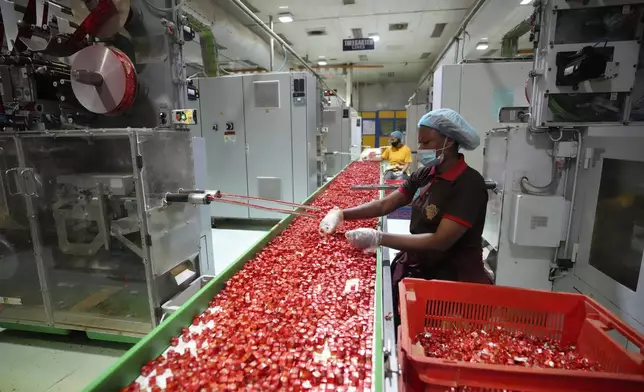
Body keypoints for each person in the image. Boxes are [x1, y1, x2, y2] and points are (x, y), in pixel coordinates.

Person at [320, 108, 492, 327]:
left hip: (453, 280)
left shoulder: (468, 184)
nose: (421, 149)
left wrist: (378, 238)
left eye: (427, 143)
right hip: (420, 268)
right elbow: (386, 203)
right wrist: (343, 213)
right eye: (420, 143)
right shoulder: (425, 174)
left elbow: (441, 241)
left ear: (449, 141)